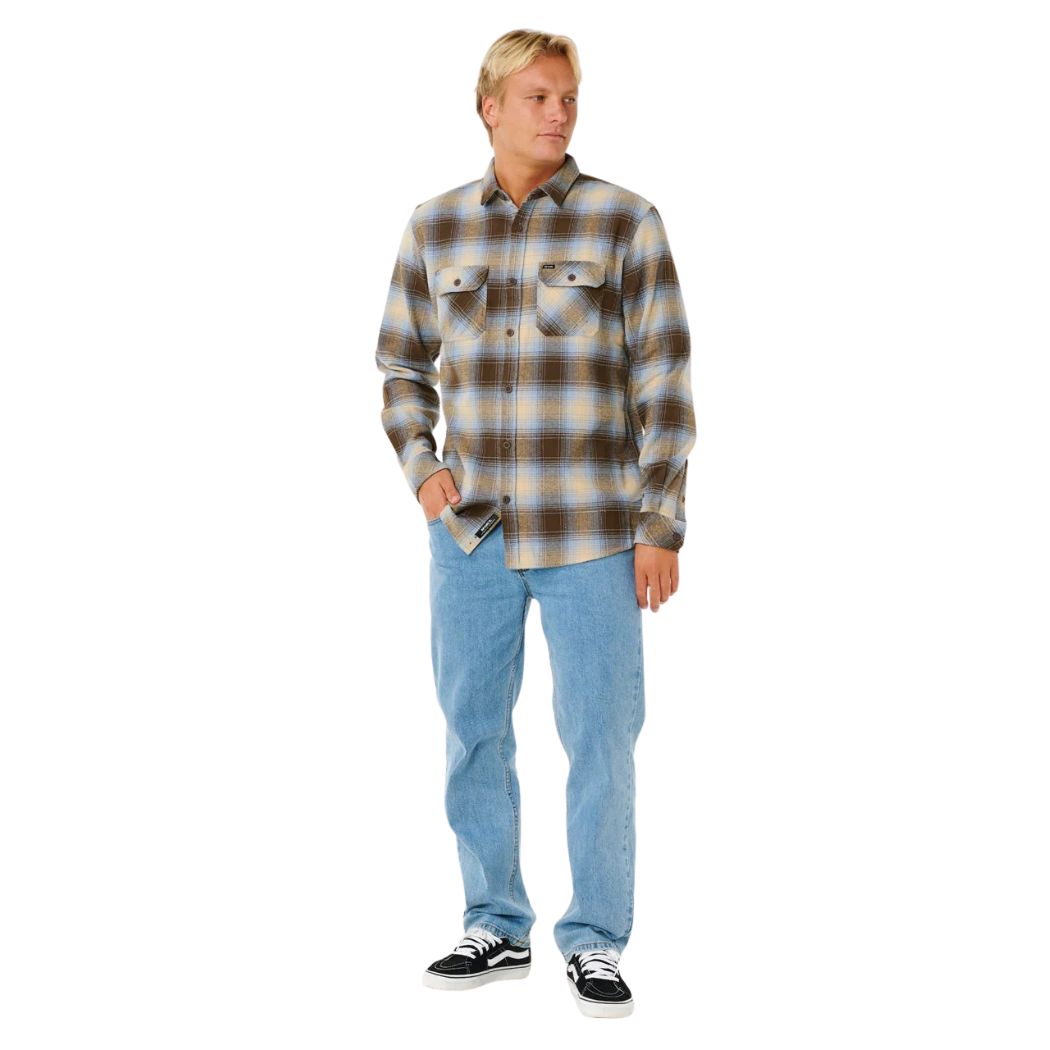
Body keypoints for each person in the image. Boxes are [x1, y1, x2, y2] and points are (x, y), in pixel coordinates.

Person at [374, 28, 696, 1019]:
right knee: (473, 730)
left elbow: (665, 381)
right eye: (539, 98)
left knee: (601, 738)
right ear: (491, 107)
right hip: (469, 533)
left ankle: (595, 940)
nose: (559, 113)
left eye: (569, 98)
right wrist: (426, 477)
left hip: (594, 531)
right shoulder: (435, 227)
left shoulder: (624, 222)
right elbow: (400, 367)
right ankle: (494, 922)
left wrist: (661, 523)